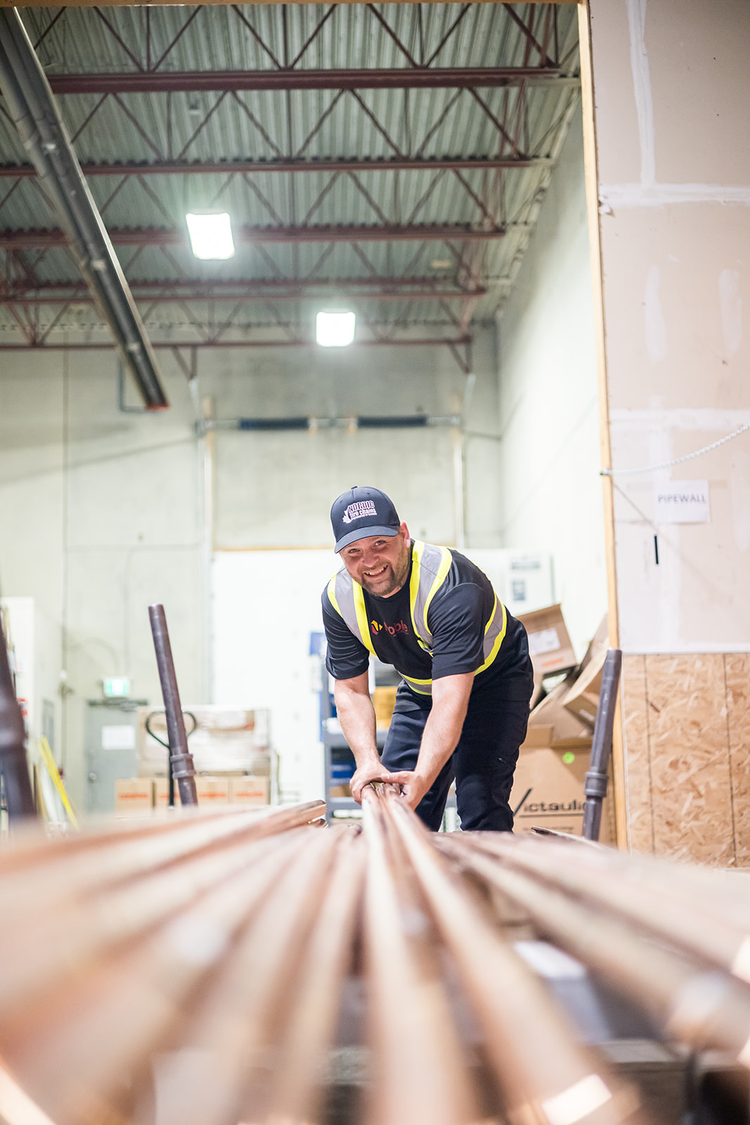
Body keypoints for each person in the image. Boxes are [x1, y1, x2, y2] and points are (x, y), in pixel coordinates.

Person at [321, 485, 534, 831]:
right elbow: (350, 689)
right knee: (397, 811)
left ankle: (481, 883)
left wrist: (423, 777)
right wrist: (367, 761)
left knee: (480, 804)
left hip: (493, 682)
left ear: (403, 534)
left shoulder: (451, 585)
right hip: (423, 688)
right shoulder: (338, 599)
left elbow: (450, 699)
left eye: (380, 544)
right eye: (353, 552)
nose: (369, 561)